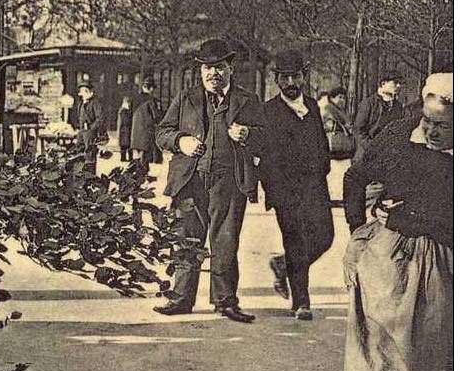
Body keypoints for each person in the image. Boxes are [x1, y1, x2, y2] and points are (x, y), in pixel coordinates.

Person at [340, 72, 452, 371]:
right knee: (378, 363)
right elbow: (355, 176)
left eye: (445, 125)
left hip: (442, 267)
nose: (434, 131)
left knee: (430, 368)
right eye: (429, 121)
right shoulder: (397, 135)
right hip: (387, 263)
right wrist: (358, 231)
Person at [153, 39, 263, 323]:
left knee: (225, 242)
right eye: (208, 68)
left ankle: (225, 301)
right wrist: (181, 140)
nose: (213, 74)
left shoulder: (247, 100)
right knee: (186, 239)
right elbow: (161, 132)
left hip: (228, 182)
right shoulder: (185, 98)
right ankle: (180, 298)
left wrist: (249, 135)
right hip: (189, 180)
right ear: (200, 70)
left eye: (220, 68)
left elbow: (268, 140)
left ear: (230, 69)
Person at [258, 50, 333, 320]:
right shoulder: (267, 112)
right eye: (285, 77)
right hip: (286, 192)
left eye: (296, 76)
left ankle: (281, 265)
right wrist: (274, 192)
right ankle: (301, 302)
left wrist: (323, 169)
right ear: (277, 80)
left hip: (315, 188)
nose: (291, 82)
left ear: (304, 77)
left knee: (325, 237)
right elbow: (265, 158)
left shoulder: (312, 106)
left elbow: (321, 143)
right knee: (296, 243)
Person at [353, 68, 404, 163]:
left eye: (400, 83)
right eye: (395, 82)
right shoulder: (368, 103)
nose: (398, 86)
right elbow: (359, 130)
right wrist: (372, 147)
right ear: (383, 83)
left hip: (390, 157)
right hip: (367, 156)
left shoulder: (398, 106)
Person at [130, 76, 163, 171]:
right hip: (146, 131)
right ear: (151, 88)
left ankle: (137, 171)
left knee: (137, 153)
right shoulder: (152, 100)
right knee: (144, 155)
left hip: (135, 131)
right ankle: (142, 172)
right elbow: (156, 116)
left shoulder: (134, 99)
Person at [75, 82, 106, 175]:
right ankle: (80, 177)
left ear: (90, 92)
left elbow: (100, 119)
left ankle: (91, 177)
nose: (81, 93)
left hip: (90, 134)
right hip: (81, 132)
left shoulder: (95, 103)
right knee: (79, 153)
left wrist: (91, 128)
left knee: (90, 155)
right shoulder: (81, 103)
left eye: (84, 91)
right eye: (81, 91)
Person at [320, 86, 354, 159]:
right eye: (340, 97)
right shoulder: (329, 109)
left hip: (340, 146)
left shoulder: (340, 111)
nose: (342, 100)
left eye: (344, 98)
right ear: (332, 98)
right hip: (334, 145)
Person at [116, 96, 133, 162]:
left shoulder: (125, 110)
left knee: (127, 145)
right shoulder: (123, 111)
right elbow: (125, 121)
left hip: (126, 130)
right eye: (128, 102)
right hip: (124, 130)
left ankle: (128, 158)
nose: (129, 104)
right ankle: (124, 158)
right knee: (125, 145)